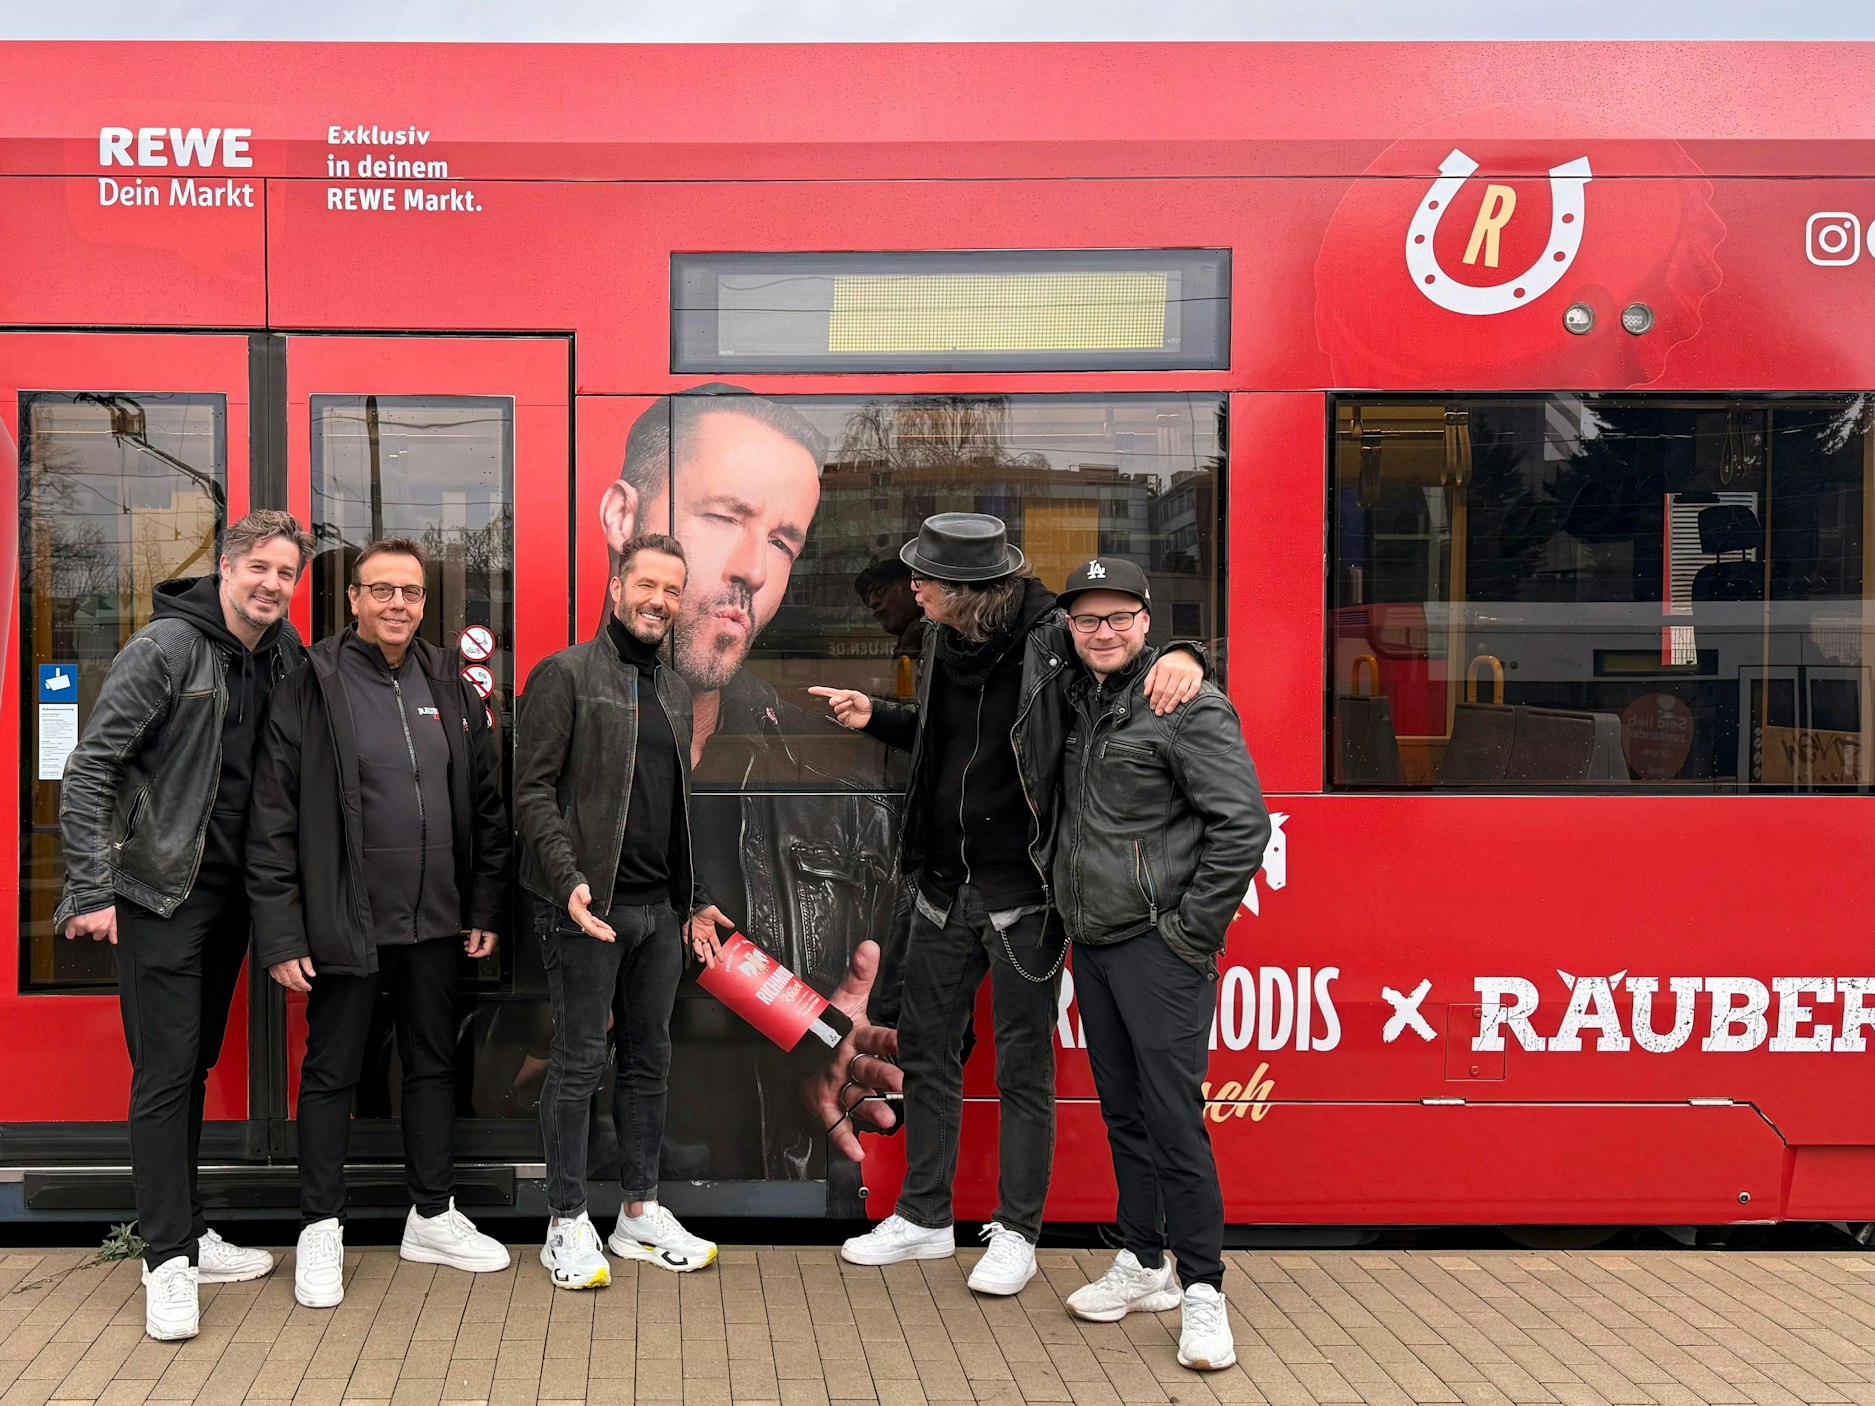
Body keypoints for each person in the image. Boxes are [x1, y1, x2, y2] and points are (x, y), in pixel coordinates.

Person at [811, 514, 1203, 1296]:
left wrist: (1190, 657)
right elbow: (947, 739)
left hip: (1023, 892)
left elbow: (1127, 656)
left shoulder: (1051, 636)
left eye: (925, 578)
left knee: (1024, 1066)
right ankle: (923, 1218)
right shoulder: (935, 640)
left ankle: (1016, 1232)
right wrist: (876, 717)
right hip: (941, 886)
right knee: (924, 1050)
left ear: (967, 591)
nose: (911, 585)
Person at [591, 390, 903, 1186]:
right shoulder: (552, 723)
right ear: (623, 518)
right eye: (724, 516)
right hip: (592, 1170)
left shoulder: (833, 776)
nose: (753, 571)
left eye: (784, 542)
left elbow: (910, 956)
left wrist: (852, 1038)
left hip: (780, 1177)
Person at [55, 509, 311, 1342]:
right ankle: (164, 1257)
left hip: (240, 895)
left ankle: (190, 1232)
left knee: (193, 1061)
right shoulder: (166, 648)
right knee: (166, 1070)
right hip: (162, 893)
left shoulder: (284, 654)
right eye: (261, 568)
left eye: (287, 573)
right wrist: (93, 888)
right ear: (228, 566)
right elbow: (91, 765)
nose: (273, 584)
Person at [247, 537, 513, 1310]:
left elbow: (488, 805)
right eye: (382, 591)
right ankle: (320, 1232)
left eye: (412, 593)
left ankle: (431, 1216)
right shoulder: (312, 681)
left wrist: (485, 906)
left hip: (436, 925)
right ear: (353, 600)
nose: (398, 604)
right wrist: (283, 932)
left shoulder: (450, 683)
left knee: (432, 1068)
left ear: (426, 604)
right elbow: (272, 820)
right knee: (332, 1076)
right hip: (344, 924)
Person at [1049, 557, 1269, 1373]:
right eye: (1085, 620)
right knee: (1125, 1116)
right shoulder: (1081, 695)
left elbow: (1242, 827)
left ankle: (1203, 1290)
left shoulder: (1185, 703)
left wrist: (1189, 934)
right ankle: (1144, 1265)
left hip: (1156, 946)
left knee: (1174, 1120)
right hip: (1095, 942)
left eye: (1116, 618)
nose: (1099, 632)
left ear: (1145, 621)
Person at [514, 532, 734, 1286]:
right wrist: (566, 877)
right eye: (647, 585)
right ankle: (565, 1222)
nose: (659, 601)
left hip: (656, 916)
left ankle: (637, 1216)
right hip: (586, 911)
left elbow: (679, 809)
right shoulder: (565, 675)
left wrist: (694, 901)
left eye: (673, 590)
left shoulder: (676, 690)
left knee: (648, 1065)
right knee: (577, 1065)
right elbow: (531, 791)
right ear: (615, 589)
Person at [854, 556, 929, 678]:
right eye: (866, 598)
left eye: (880, 588)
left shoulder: (934, 634)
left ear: (914, 583)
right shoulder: (915, 635)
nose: (872, 602)